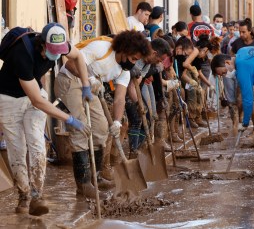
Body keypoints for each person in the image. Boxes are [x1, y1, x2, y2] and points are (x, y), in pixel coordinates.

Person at [0, 22, 90, 216]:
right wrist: (69, 119)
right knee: (17, 149)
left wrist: (86, 84)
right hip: (9, 100)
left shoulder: (61, 47)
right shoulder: (22, 54)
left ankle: (37, 195)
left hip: (34, 95)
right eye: (53, 51)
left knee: (37, 144)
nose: (57, 55)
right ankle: (23, 194)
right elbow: (38, 101)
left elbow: (78, 57)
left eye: (60, 51)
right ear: (42, 44)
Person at [54, 30, 151, 198]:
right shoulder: (102, 48)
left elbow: (119, 99)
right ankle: (83, 185)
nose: (134, 63)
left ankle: (96, 177)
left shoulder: (124, 71)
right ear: (124, 50)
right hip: (70, 80)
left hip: (92, 88)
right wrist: (89, 79)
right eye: (133, 58)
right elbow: (70, 63)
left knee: (101, 129)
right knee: (82, 128)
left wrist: (117, 122)